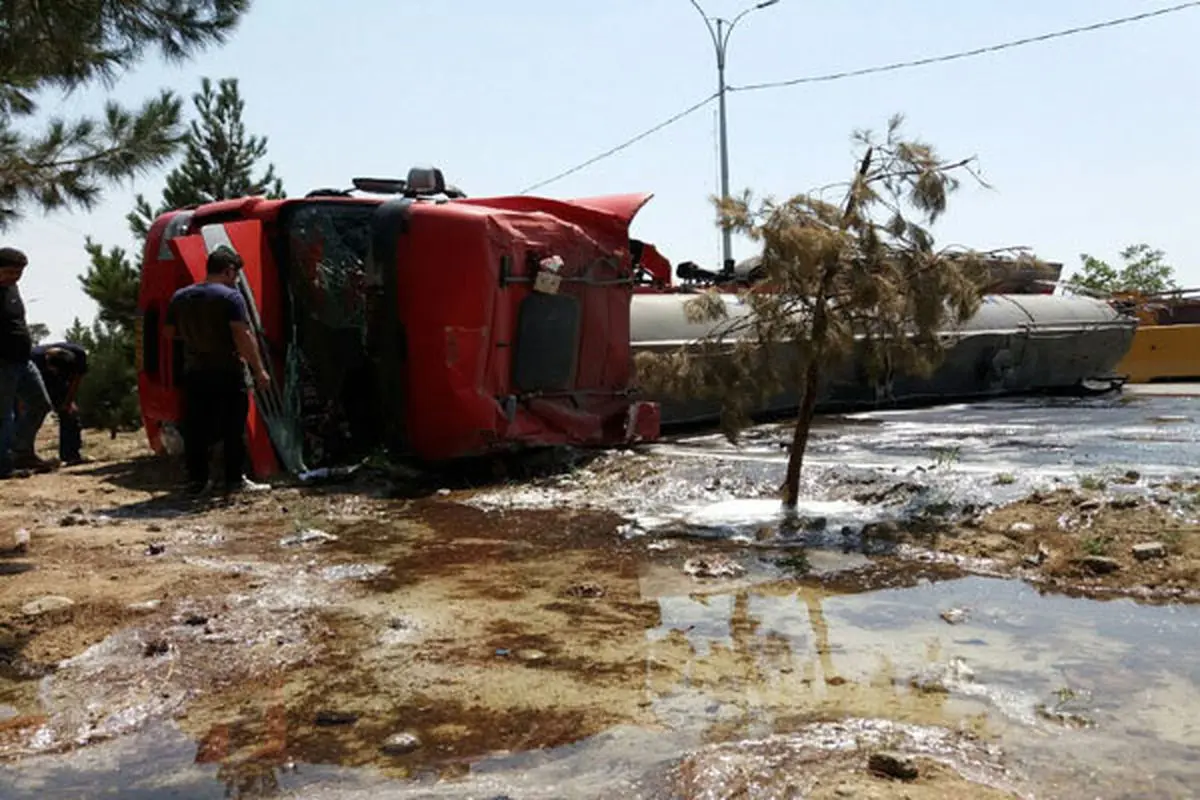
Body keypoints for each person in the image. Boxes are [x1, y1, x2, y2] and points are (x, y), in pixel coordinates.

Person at [163, 246, 271, 495]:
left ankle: (197, 482)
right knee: (233, 427)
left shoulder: (180, 296)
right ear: (229, 270)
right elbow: (241, 334)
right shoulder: (230, 297)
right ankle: (234, 480)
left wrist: (194, 339)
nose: (235, 280)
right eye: (235, 274)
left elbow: (168, 333)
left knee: (196, 429)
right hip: (226, 370)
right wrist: (259, 370)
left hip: (194, 372)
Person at [0, 247, 56, 479]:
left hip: (24, 359)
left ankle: (22, 451)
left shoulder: (12, 288)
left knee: (40, 404)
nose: (15, 277)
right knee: (2, 415)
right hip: (3, 363)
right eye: (10, 272)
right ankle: (3, 467)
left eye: (19, 272)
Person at [31, 341, 90, 465]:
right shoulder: (34, 357)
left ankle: (71, 455)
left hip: (60, 384)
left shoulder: (79, 355)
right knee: (30, 415)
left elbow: (76, 379)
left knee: (71, 414)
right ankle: (22, 455)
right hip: (39, 381)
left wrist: (68, 402)